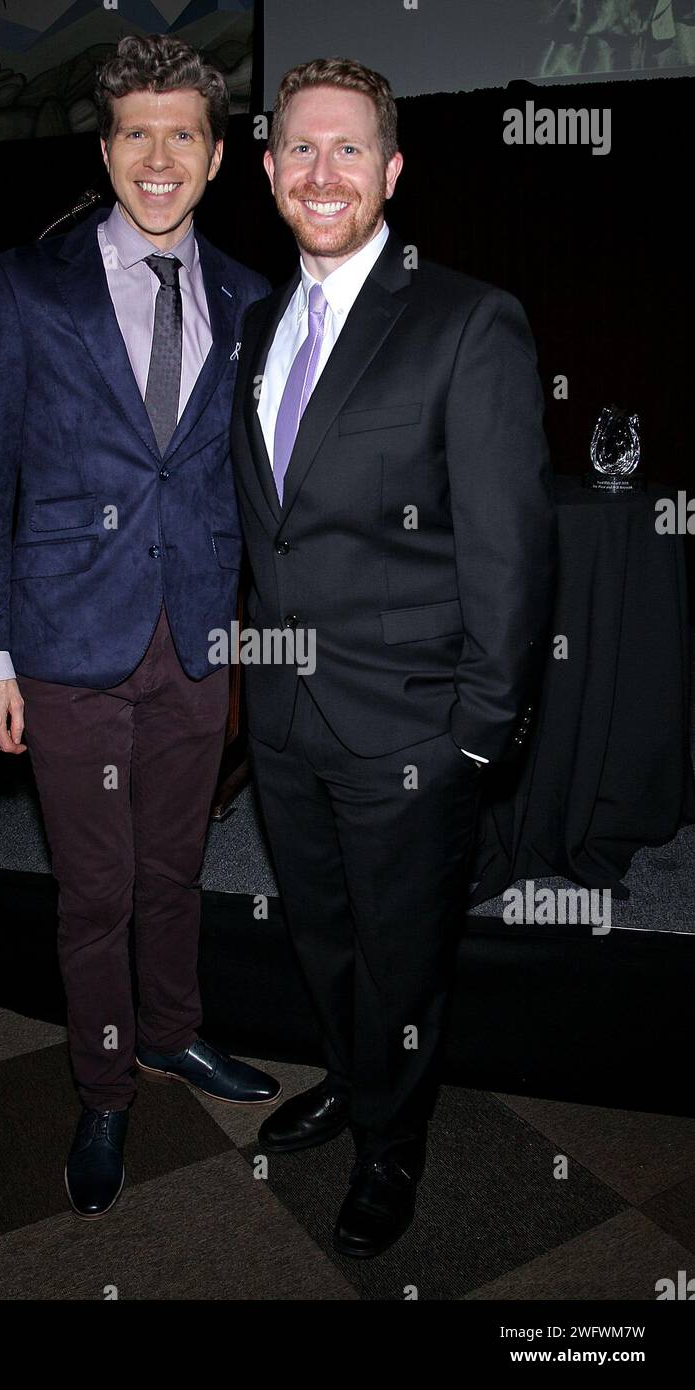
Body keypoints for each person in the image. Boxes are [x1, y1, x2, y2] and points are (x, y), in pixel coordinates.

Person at [230, 57, 557, 1258]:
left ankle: (391, 1141)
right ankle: (354, 1075)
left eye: (348, 149)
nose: (323, 172)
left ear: (392, 170)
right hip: (281, 719)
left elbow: (510, 551)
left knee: (403, 956)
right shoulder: (258, 327)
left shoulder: (465, 319)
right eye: (299, 151)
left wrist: (479, 727)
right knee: (321, 936)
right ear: (267, 174)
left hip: (413, 728)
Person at [0, 34, 277, 1222]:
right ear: (104, 146)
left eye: (179, 132)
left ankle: (174, 1034)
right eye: (133, 131)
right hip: (66, 646)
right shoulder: (28, 286)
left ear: (215, 153)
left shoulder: (250, 296)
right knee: (95, 890)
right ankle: (102, 1086)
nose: (155, 155)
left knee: (175, 870)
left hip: (193, 643)